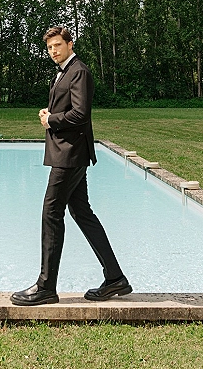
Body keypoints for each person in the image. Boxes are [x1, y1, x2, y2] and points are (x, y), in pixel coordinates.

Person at [10, 26, 132, 305]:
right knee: (82, 213)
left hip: (70, 154)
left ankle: (46, 286)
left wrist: (51, 120)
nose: (53, 51)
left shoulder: (79, 71)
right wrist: (50, 114)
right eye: (49, 47)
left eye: (57, 45)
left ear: (69, 43)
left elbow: (80, 114)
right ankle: (115, 279)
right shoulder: (65, 71)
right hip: (69, 152)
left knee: (51, 212)